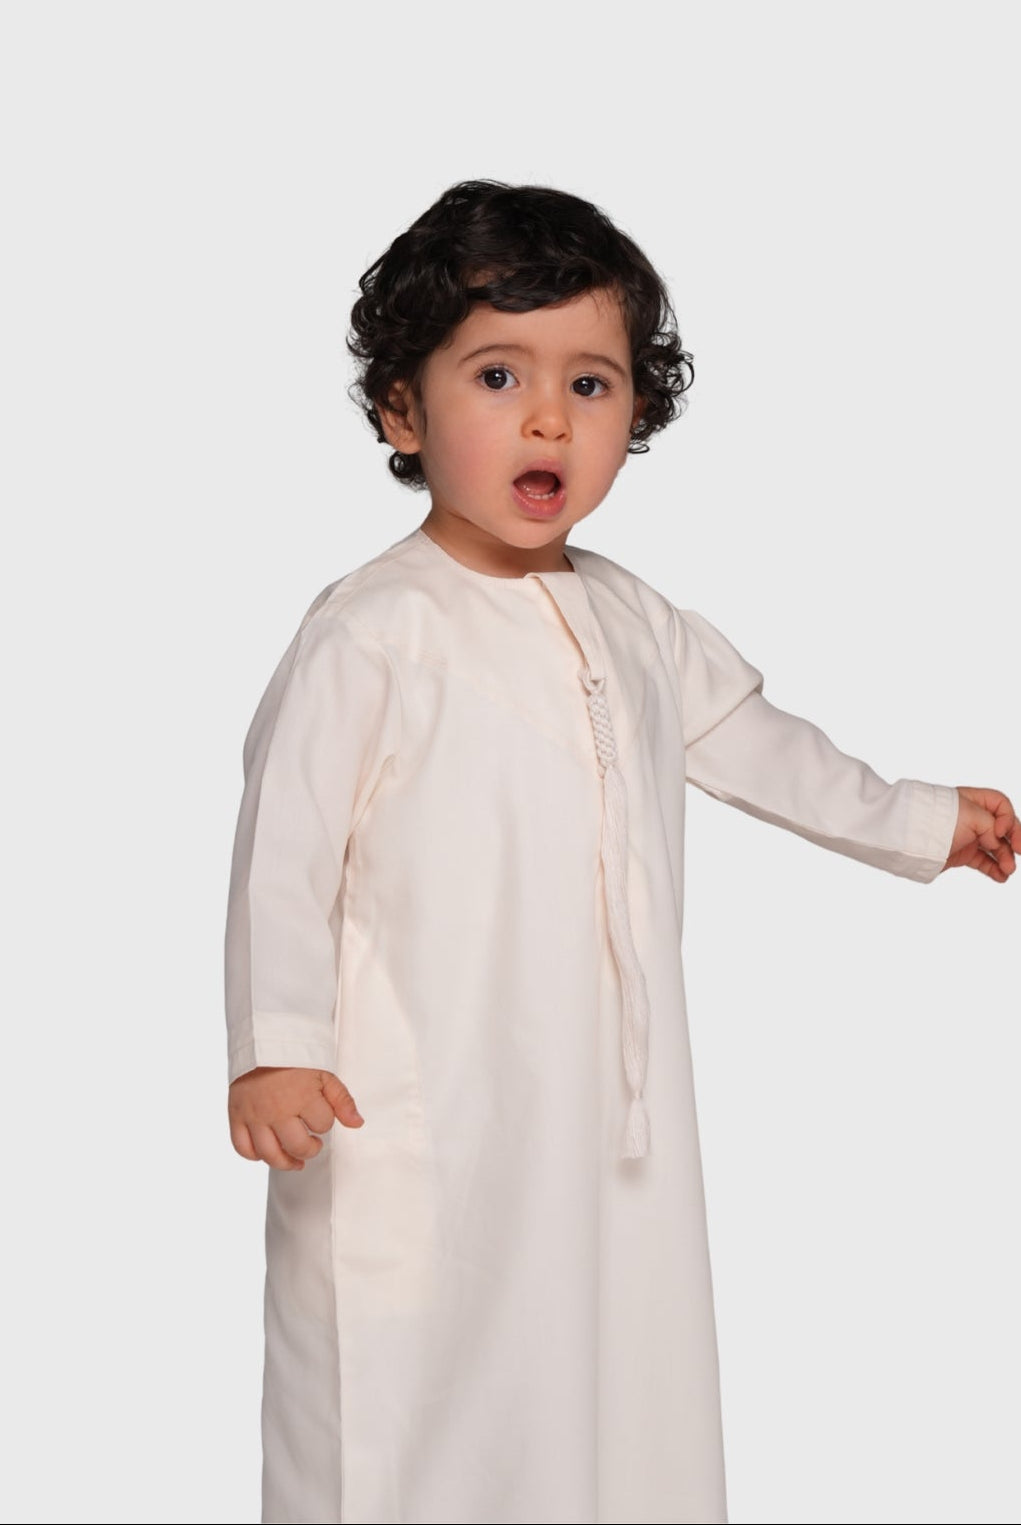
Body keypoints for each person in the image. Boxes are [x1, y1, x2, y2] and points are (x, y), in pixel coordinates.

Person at [223, 180, 1017, 1525]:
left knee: (603, 1388)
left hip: (603, 1111)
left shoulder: (636, 622)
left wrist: (920, 819)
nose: (549, 416)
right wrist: (275, 1043)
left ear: (634, 415)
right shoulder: (373, 631)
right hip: (414, 1104)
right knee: (411, 1386)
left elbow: (765, 749)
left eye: (590, 384)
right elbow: (281, 850)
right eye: (498, 375)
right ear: (403, 411)